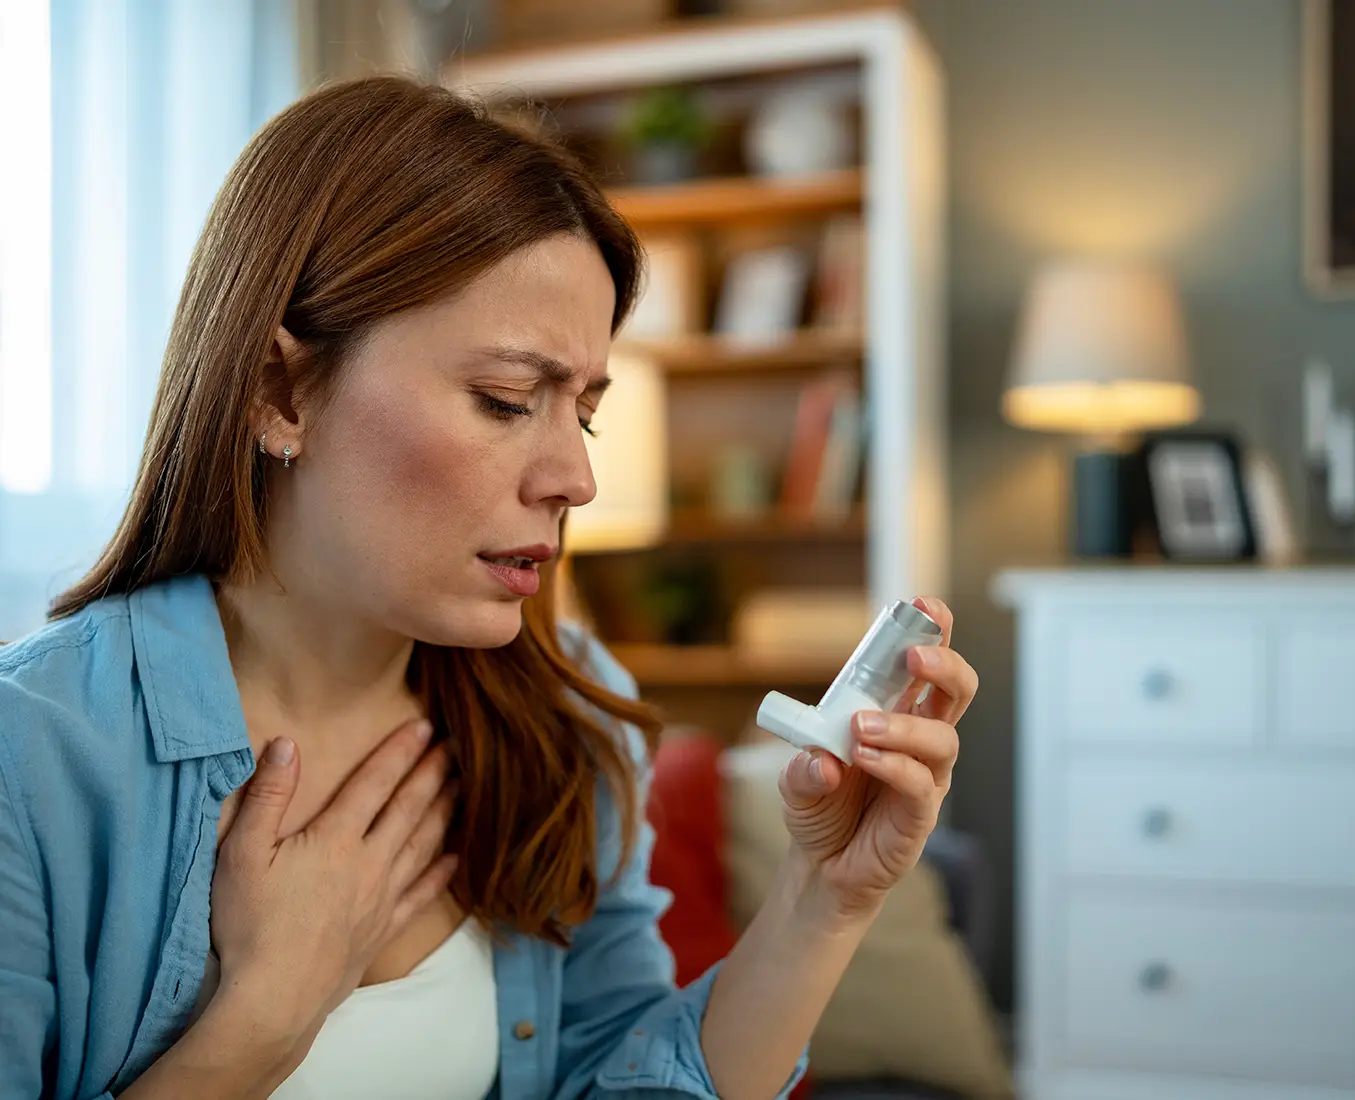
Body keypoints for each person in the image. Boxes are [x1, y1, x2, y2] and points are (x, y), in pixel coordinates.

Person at [0, 76, 977, 1100]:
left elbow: (627, 1080)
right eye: (506, 399)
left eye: (583, 411)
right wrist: (263, 1020)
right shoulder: (35, 757)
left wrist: (823, 895)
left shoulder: (559, 707)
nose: (576, 478)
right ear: (278, 388)